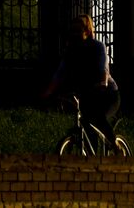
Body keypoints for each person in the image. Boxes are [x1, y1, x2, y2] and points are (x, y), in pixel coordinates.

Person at [42, 14, 120, 147]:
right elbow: (59, 75)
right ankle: (92, 158)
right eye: (72, 30)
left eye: (78, 30)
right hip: (89, 94)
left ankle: (116, 147)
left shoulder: (97, 47)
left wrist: (103, 83)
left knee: (98, 117)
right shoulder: (70, 52)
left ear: (87, 31)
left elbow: (103, 69)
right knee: (86, 125)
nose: (74, 34)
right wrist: (47, 93)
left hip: (108, 94)